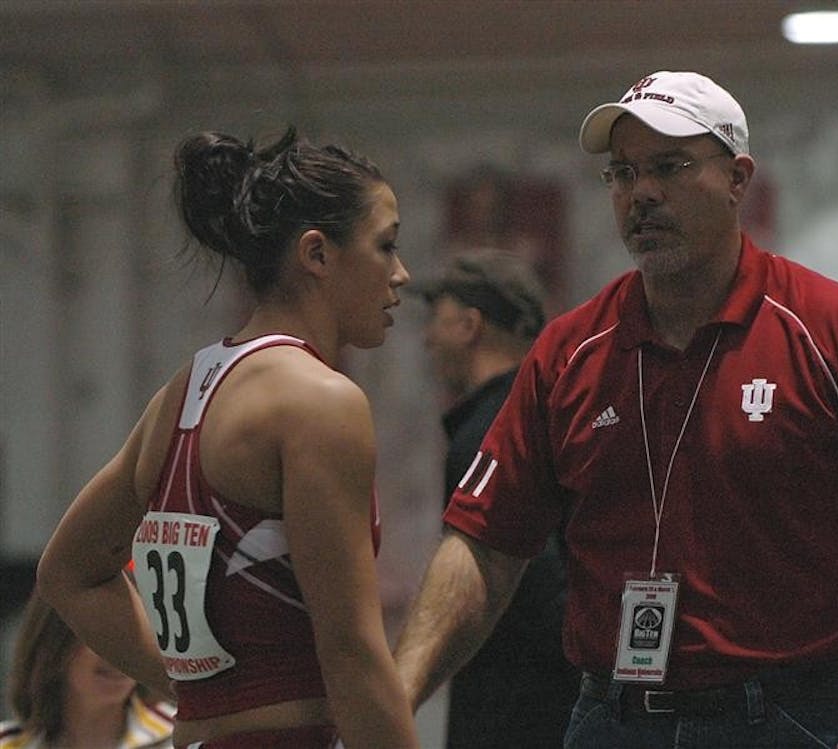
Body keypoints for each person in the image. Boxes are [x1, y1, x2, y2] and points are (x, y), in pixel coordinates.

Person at [392, 70, 838, 749]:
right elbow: (483, 546)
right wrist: (393, 699)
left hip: (787, 717)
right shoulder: (570, 351)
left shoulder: (836, 328)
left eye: (670, 166)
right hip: (610, 718)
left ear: (737, 177)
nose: (641, 192)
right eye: (622, 174)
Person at [35, 127, 420, 748]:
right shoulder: (321, 403)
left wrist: (193, 688)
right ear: (317, 254)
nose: (401, 275)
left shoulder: (180, 396)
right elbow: (351, 652)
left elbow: (69, 574)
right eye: (386, 246)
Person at [412, 248, 579, 747]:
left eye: (436, 322)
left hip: (514, 717)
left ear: (469, 325)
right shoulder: (545, 414)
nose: (427, 339)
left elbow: (531, 579)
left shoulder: (488, 435)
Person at [0, 589, 174, 749]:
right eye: (102, 635)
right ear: (54, 642)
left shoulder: (184, 737)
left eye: (132, 633)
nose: (118, 653)